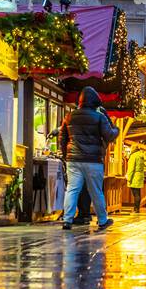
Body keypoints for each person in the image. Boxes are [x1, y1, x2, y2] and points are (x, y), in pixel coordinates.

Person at [59, 87, 119, 231]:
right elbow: (109, 135)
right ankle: (103, 220)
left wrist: (66, 155)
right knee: (96, 191)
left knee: (72, 189)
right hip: (93, 161)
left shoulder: (69, 116)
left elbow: (62, 138)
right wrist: (115, 128)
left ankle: (67, 220)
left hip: (73, 160)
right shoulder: (99, 117)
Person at [126, 146, 146, 213]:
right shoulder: (141, 155)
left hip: (134, 176)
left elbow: (131, 168)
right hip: (140, 175)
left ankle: (136, 209)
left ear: (133, 149)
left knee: (135, 194)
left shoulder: (133, 156)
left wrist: (128, 177)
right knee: (138, 193)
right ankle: (137, 208)